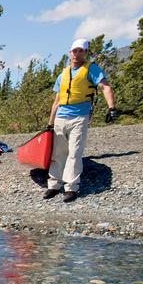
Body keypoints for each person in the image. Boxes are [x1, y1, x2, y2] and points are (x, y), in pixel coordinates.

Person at [45, 38, 118, 203]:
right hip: (61, 117)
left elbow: (105, 86)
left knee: (75, 152)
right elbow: (56, 101)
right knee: (57, 153)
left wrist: (111, 107)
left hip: (79, 116)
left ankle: (71, 188)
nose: (77, 54)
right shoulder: (62, 74)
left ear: (85, 52)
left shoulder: (91, 69)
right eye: (74, 51)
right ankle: (54, 185)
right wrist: (50, 123)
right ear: (70, 53)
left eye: (80, 51)